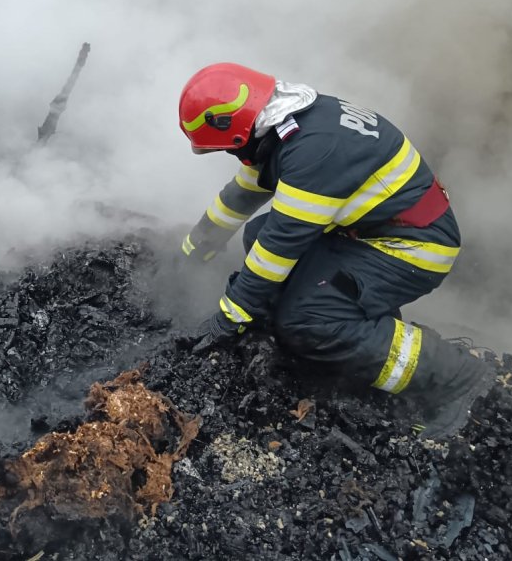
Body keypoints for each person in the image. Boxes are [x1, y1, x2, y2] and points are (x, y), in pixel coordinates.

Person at [179, 63, 493, 439]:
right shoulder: (289, 125)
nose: (229, 157)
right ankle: (330, 328)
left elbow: (283, 243)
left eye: (224, 149)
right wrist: (197, 245)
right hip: (367, 233)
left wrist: (230, 316)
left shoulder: (314, 151)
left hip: (412, 249)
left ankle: (457, 377)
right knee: (257, 234)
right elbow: (243, 193)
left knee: (307, 321)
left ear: (235, 132)